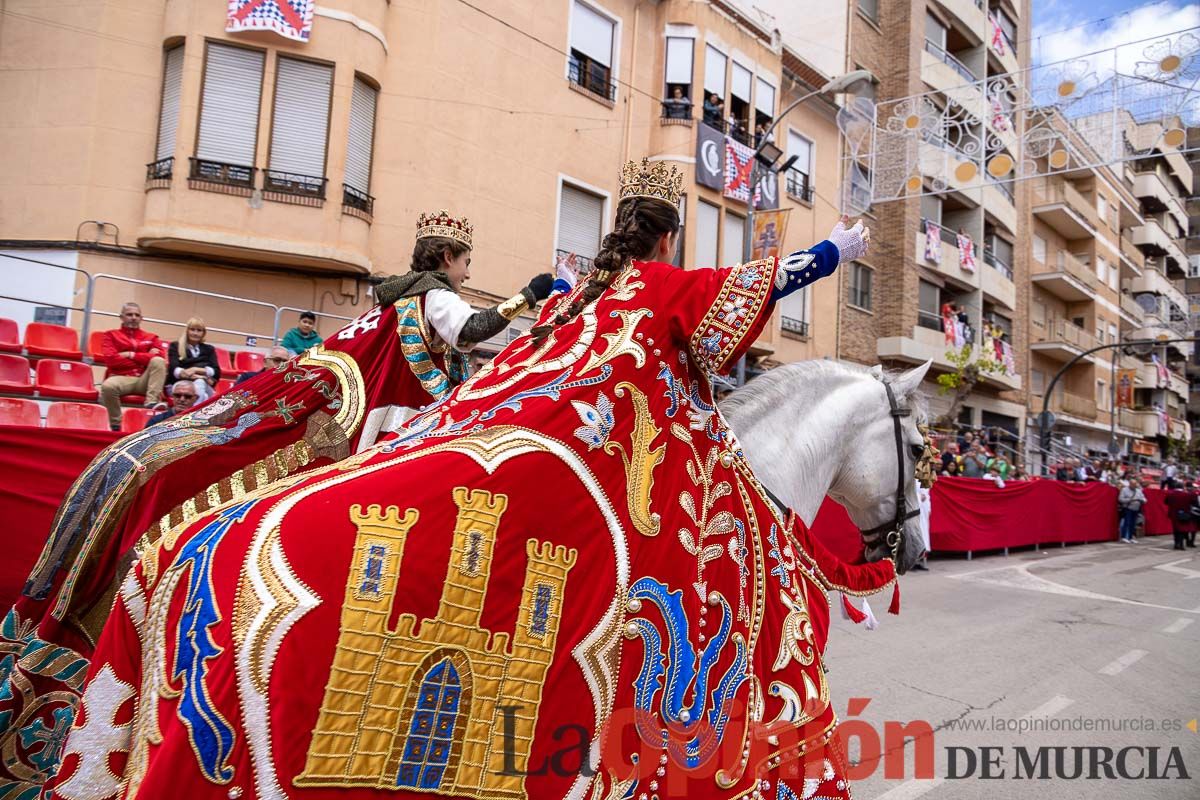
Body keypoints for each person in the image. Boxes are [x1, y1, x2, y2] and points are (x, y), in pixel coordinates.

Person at [46, 160, 881, 798]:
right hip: (577, 465)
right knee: (650, 567)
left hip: (479, 427)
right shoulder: (656, 285)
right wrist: (836, 247)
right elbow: (768, 280)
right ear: (666, 240)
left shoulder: (572, 301)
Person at [98, 301, 168, 430]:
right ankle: (116, 425)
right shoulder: (110, 335)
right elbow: (112, 360)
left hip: (145, 379)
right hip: (121, 378)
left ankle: (151, 402)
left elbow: (160, 359)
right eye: (129, 314)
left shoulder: (152, 337)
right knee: (108, 386)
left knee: (158, 362)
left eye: (137, 315)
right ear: (121, 317)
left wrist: (131, 355)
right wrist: (146, 356)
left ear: (141, 318)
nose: (133, 317)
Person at [167, 317, 221, 402]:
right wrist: (203, 376)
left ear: (203, 333)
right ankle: (194, 414)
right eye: (192, 329)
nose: (195, 333)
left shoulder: (209, 349)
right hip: (179, 385)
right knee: (204, 395)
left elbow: (216, 372)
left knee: (200, 384)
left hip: (204, 385)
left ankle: (192, 414)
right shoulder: (175, 346)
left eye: (199, 330)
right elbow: (174, 370)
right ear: (187, 331)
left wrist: (194, 369)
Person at [1165, 483, 1195, 550]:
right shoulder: (1186, 495)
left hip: (1173, 514)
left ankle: (1176, 544)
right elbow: (1192, 502)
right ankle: (1181, 544)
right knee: (1182, 529)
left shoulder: (1170, 494)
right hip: (1184, 514)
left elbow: (1166, 502)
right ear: (1182, 487)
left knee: (1175, 529)